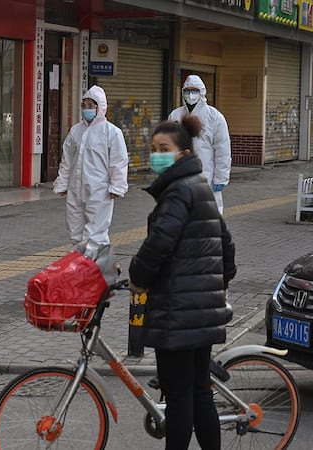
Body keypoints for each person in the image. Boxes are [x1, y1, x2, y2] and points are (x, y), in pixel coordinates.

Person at [128, 115, 236, 450]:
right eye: (154, 149)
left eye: (165, 149)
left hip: (177, 313)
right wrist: (216, 286)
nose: (157, 155)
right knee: (199, 391)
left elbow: (159, 243)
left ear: (183, 152)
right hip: (200, 311)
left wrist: (137, 277)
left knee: (179, 399)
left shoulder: (177, 192)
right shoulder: (199, 185)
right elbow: (227, 244)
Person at [53, 85, 128, 246]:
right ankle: (81, 267)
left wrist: (117, 187)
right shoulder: (75, 131)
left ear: (100, 107)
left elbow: (118, 162)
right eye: (84, 105)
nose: (86, 109)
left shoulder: (112, 132)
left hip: (99, 191)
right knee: (75, 232)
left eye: (91, 105)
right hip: (75, 189)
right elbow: (67, 160)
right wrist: (63, 183)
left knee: (95, 235)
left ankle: (99, 268)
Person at [168, 74, 231, 214]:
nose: (190, 94)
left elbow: (222, 150)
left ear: (202, 92)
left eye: (194, 90)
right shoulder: (175, 116)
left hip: (206, 176)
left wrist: (221, 177)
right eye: (187, 90)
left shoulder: (214, 117)